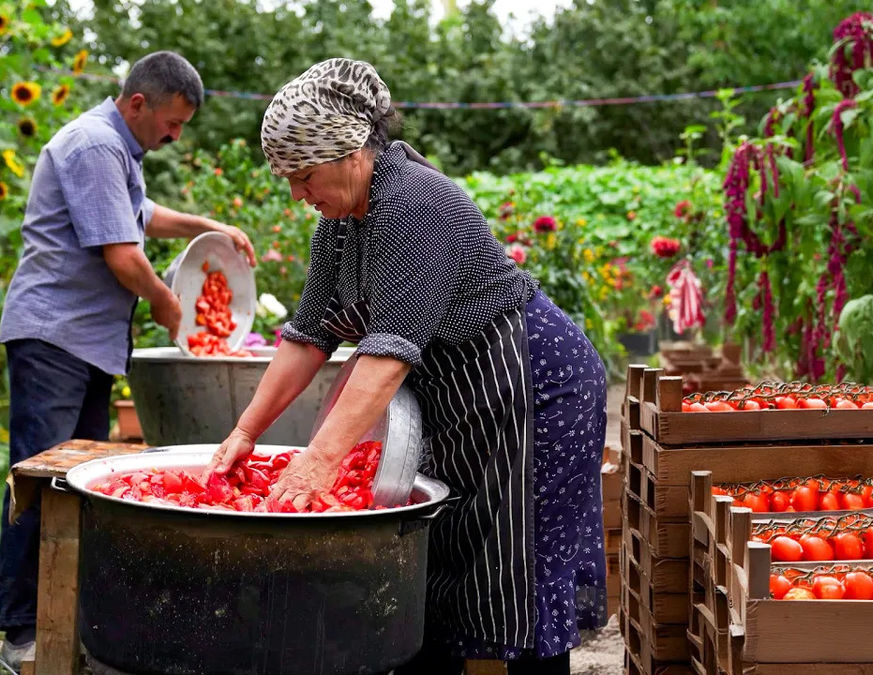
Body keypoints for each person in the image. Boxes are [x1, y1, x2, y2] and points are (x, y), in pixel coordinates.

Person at [208, 58, 607, 673]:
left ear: (351, 153)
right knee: (445, 555)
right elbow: (306, 338)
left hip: (534, 385)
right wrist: (244, 433)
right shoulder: (340, 224)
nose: (297, 194)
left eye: (303, 174)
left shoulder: (414, 201)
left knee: (516, 573)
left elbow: (388, 354)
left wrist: (318, 462)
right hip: (465, 392)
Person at [0, 50, 255, 666]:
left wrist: (205, 224)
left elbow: (140, 218)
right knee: (37, 482)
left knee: (69, 484)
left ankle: (57, 610)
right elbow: (123, 254)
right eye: (172, 122)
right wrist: (173, 308)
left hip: (82, 343)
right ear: (138, 103)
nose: (175, 134)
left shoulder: (119, 151)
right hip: (54, 337)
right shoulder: (93, 146)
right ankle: (20, 625)